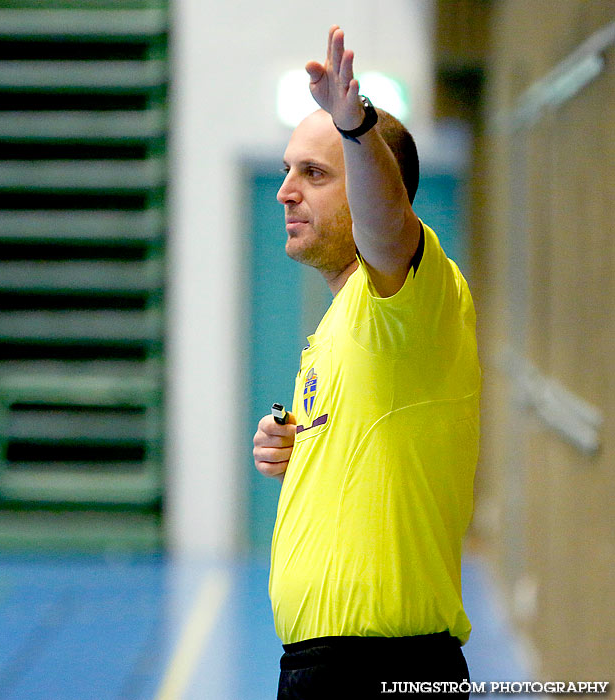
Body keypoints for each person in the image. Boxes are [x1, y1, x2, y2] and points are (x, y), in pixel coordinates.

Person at [252, 26, 481, 699]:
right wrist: (291, 444)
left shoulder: (411, 292)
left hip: (383, 671)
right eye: (290, 170)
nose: (285, 192)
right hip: (325, 668)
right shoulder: (339, 324)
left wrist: (356, 128)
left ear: (373, 186)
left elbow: (388, 227)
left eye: (314, 174)